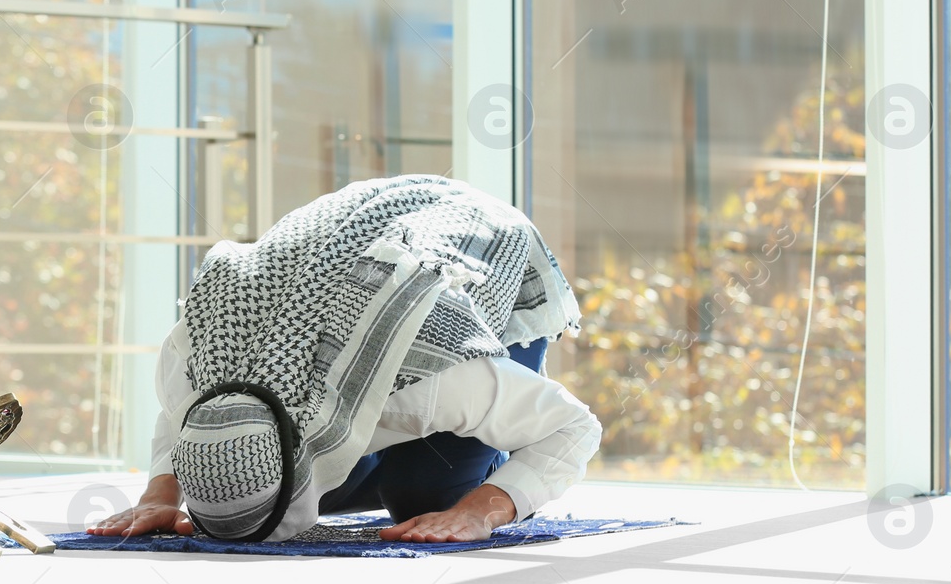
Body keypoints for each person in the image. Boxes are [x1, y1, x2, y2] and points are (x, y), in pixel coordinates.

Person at [88, 175, 602, 544]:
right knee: (304, 497)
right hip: (328, 255)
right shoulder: (196, 361)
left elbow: (573, 428)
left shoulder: (430, 372)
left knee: (425, 501)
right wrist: (161, 496)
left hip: (475, 258)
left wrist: (481, 513)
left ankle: (442, 473)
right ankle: (377, 462)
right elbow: (180, 422)